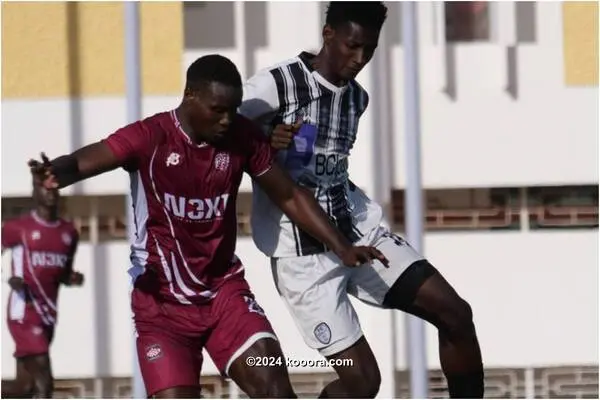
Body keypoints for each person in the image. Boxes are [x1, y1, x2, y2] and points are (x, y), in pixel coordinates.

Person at [27, 54, 387, 399]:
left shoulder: (242, 138)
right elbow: (87, 159)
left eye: (233, 110)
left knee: (274, 386)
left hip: (224, 296)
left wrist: (341, 246)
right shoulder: (150, 137)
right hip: (162, 310)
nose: (227, 120)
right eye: (217, 110)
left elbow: (290, 195)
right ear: (190, 96)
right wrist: (55, 172)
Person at [239, 2, 484, 398]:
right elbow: (214, 128)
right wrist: (263, 140)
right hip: (303, 258)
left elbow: (319, 160)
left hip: (358, 231)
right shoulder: (275, 85)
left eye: (369, 49)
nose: (360, 59)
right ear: (328, 34)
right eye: (352, 46)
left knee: (455, 313)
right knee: (364, 383)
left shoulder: (357, 98)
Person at [1, 180, 84, 398]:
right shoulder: (18, 228)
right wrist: (8, 279)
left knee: (25, 388)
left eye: (54, 187)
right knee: (45, 385)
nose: (51, 192)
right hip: (24, 311)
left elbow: (63, 273)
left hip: (48, 316)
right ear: (34, 191)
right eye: (45, 187)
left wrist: (72, 278)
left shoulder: (69, 232)